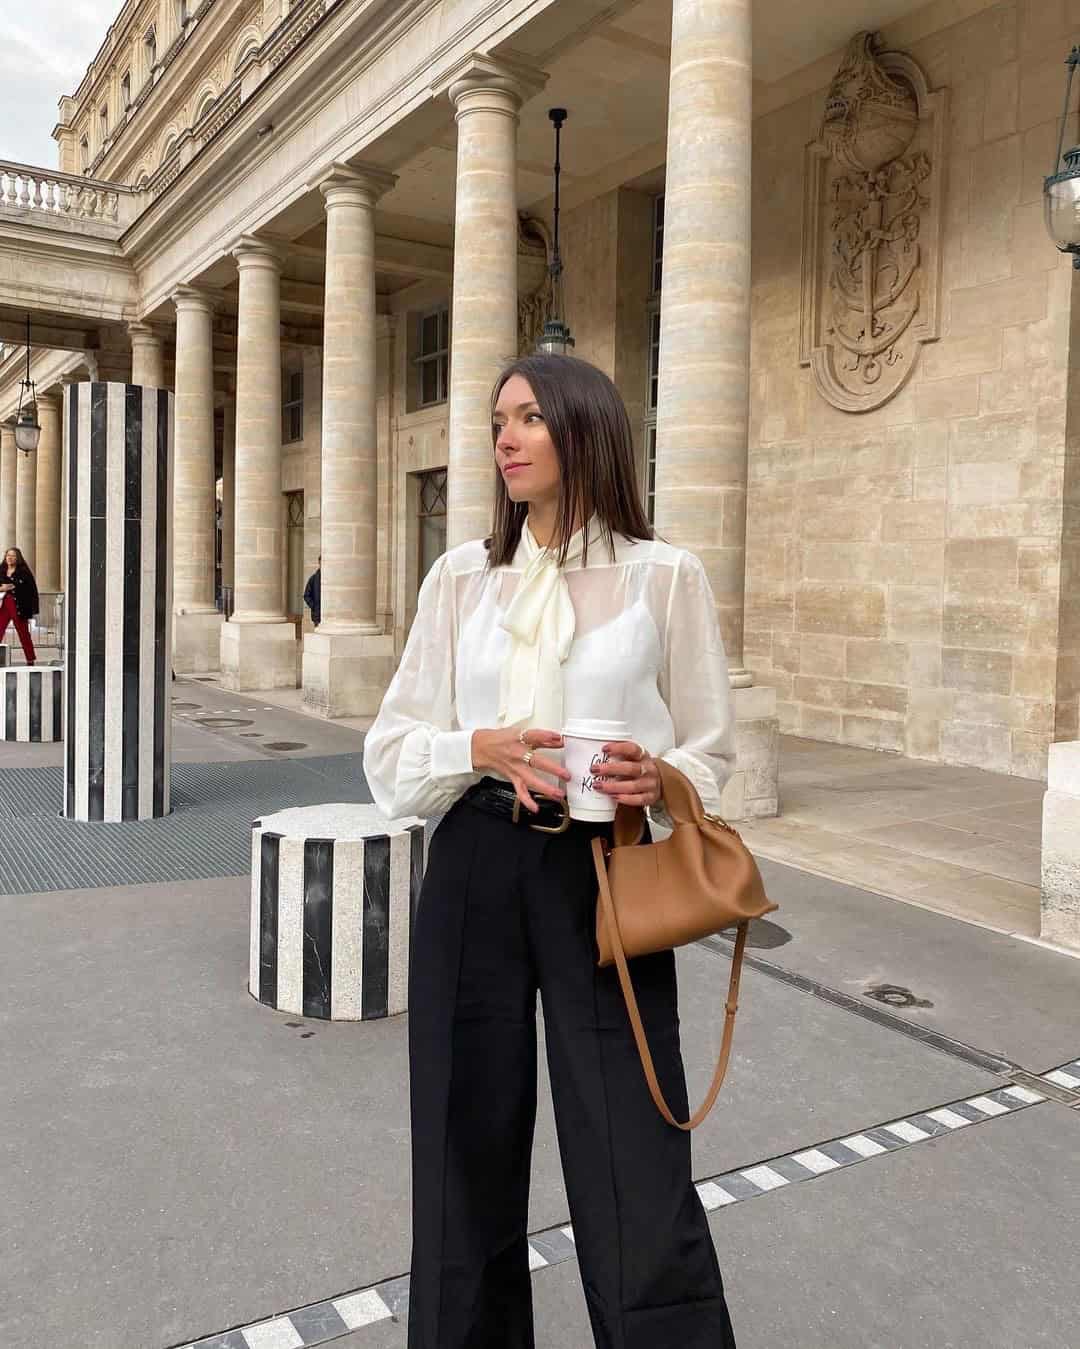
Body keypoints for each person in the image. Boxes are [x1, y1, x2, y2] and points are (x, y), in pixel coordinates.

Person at [363, 354, 738, 1349]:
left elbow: (715, 748)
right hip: (479, 856)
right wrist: (473, 744)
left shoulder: (666, 575)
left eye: (529, 416)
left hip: (604, 869)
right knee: (462, 1141)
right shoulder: (462, 577)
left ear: (586, 427)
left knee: (634, 1148)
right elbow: (391, 752)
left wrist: (661, 778)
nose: (506, 437)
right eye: (498, 421)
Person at [0, 546, 38, 666]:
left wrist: (16, 586)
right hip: (4, 604)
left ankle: (30, 659)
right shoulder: (1, 570)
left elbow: (31, 589)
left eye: (13, 556)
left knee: (23, 633)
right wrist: (3, 587)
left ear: (18, 558)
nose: (10, 558)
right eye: (8, 555)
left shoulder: (24, 572)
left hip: (19, 606)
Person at [303, 556, 321, 627]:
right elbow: (306, 595)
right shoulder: (313, 579)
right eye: (321, 563)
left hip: (330, 616)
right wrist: (313, 606)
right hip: (317, 615)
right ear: (319, 563)